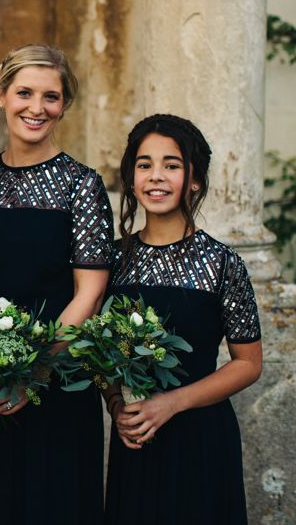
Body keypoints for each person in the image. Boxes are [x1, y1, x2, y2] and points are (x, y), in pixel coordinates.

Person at [0, 44, 114, 525]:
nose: (37, 108)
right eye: (24, 93)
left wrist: (34, 370)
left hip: (59, 379)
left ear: (64, 105)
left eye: (51, 97)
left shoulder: (81, 186)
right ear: (0, 95)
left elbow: (89, 293)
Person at [103, 114, 262, 525]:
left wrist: (171, 404)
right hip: (136, 440)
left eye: (171, 165)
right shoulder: (112, 263)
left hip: (201, 439)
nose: (156, 177)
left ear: (194, 180)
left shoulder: (221, 263)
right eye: (144, 165)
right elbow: (102, 354)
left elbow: (248, 364)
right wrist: (118, 403)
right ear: (131, 179)